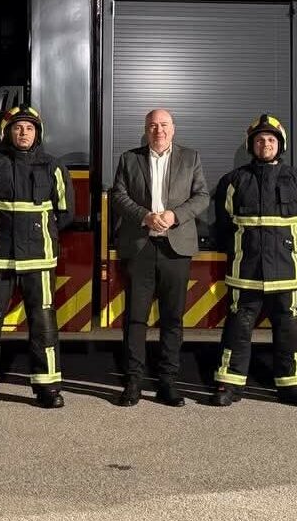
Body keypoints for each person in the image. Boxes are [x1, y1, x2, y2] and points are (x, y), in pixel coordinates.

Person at [0, 105, 75, 410]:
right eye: (17, 128)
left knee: (43, 323)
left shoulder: (53, 167)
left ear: (37, 133)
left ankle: (48, 387)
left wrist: (40, 234)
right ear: (7, 132)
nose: (23, 133)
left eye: (29, 128)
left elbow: (65, 213)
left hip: (38, 259)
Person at [207, 114, 297, 409]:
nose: (265, 144)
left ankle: (294, 387)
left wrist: (285, 245)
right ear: (251, 145)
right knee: (238, 328)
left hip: (286, 270)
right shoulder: (233, 182)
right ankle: (229, 384)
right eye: (259, 140)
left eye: (270, 140)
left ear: (279, 145)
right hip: (246, 270)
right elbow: (223, 225)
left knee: (289, 329)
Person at [109, 108, 210, 407]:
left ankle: (168, 383)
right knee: (136, 319)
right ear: (145, 129)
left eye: (164, 125)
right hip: (141, 248)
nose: (159, 130)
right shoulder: (130, 159)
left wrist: (174, 215)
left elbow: (202, 196)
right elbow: (118, 195)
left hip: (175, 249)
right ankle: (133, 383)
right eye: (153, 125)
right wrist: (145, 217)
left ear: (173, 129)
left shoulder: (190, 158)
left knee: (172, 319)